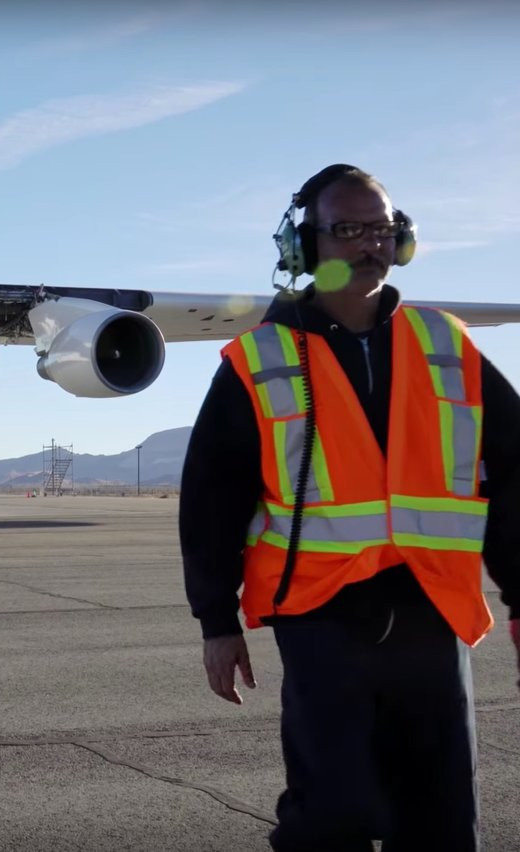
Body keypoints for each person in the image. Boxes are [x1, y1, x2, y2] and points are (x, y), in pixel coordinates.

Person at [180, 164, 520, 851]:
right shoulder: (262, 358)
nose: (369, 245)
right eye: (347, 231)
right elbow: (211, 497)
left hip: (432, 608)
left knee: (444, 821)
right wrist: (217, 619)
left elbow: (513, 474)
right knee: (333, 814)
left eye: (382, 230)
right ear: (305, 248)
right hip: (320, 615)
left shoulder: (447, 344)